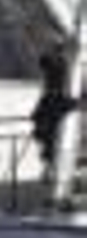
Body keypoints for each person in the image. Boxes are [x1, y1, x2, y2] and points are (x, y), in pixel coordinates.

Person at [30, 47, 76, 186]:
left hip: (53, 103)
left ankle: (50, 171)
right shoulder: (57, 66)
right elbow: (44, 63)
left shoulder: (61, 66)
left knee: (50, 142)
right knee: (49, 142)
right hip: (52, 104)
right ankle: (49, 171)